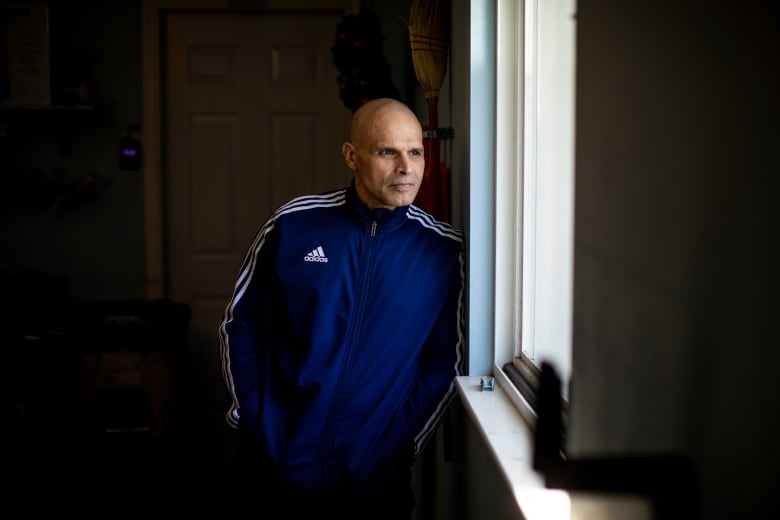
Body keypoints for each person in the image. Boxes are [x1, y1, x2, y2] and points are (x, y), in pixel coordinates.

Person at [218, 97, 465, 519]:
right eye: (388, 151)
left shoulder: (443, 251)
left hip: (374, 484)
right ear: (352, 156)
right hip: (274, 472)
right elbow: (242, 324)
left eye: (416, 152)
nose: (406, 168)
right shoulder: (294, 224)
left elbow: (443, 364)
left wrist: (399, 444)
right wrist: (256, 419)